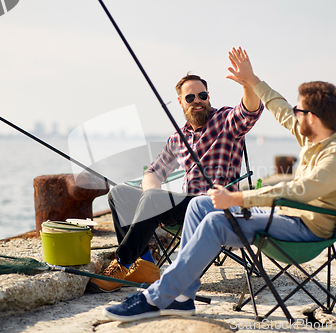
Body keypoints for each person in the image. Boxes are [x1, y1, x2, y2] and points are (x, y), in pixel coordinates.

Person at [102, 47, 336, 321]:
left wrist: (237, 199)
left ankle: (157, 295)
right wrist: (252, 79)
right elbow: (279, 108)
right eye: (190, 97)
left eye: (300, 111)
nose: (295, 114)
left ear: (312, 118)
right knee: (197, 204)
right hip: (281, 214)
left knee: (215, 221)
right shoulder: (313, 136)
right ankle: (183, 297)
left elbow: (298, 191)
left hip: (304, 226)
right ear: (180, 101)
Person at [89, 60, 264, 292]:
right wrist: (151, 190)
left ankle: (121, 263)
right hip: (185, 208)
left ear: (208, 96)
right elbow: (154, 171)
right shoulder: (177, 139)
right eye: (190, 98)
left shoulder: (225, 121)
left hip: (216, 206)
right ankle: (146, 266)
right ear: (181, 102)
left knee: (153, 200)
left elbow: (249, 111)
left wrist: (247, 83)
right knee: (119, 193)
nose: (197, 101)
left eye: (202, 95)